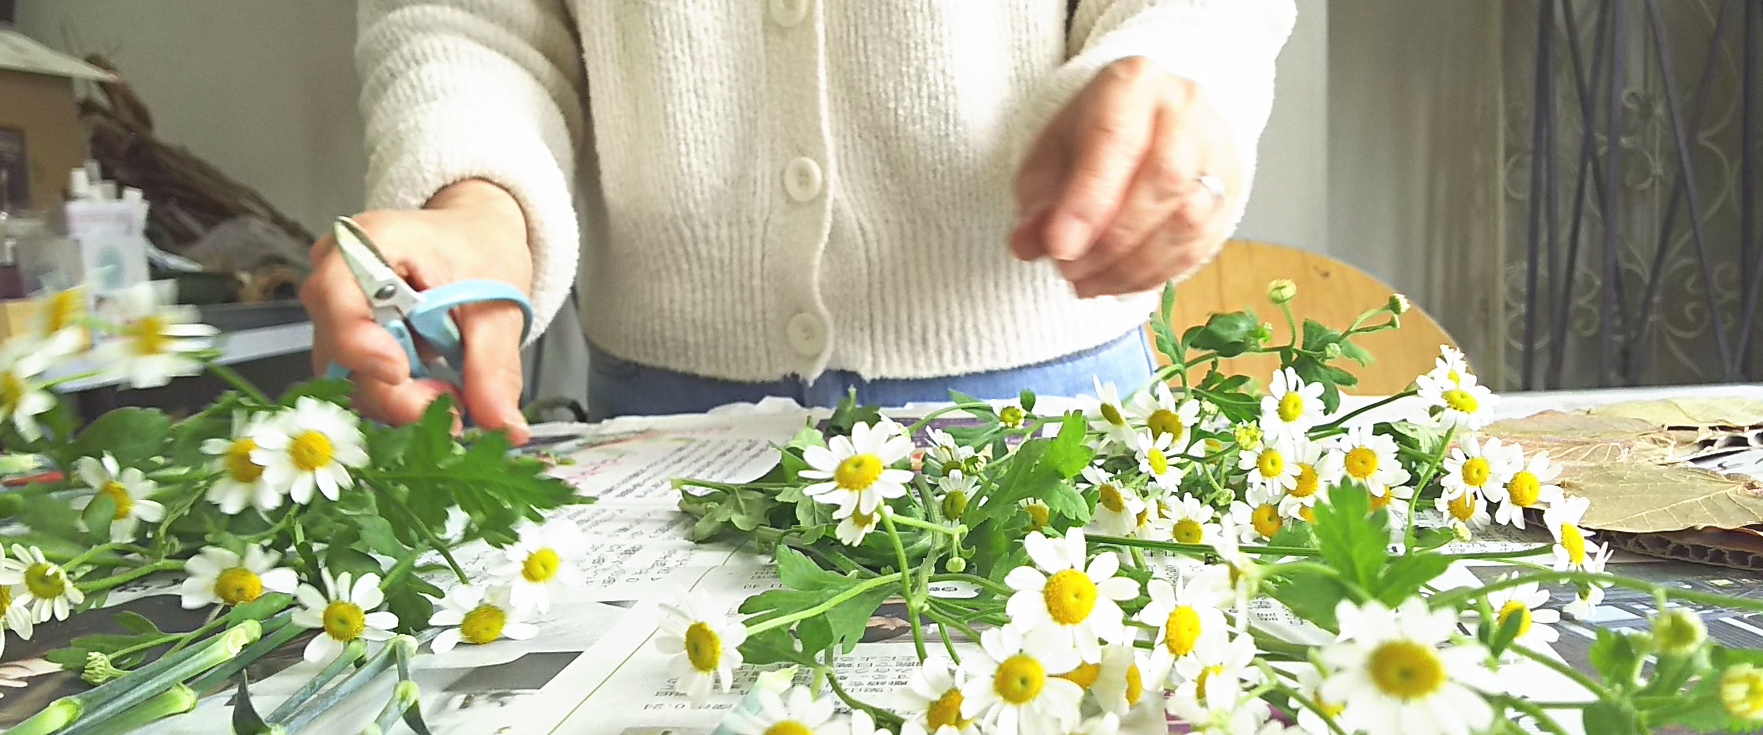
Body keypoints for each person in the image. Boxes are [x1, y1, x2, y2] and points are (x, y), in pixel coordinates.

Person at [307, 0, 1296, 445]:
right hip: (660, 420)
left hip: (1048, 402)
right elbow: (468, 20)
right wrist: (477, 202)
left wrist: (1179, 74)